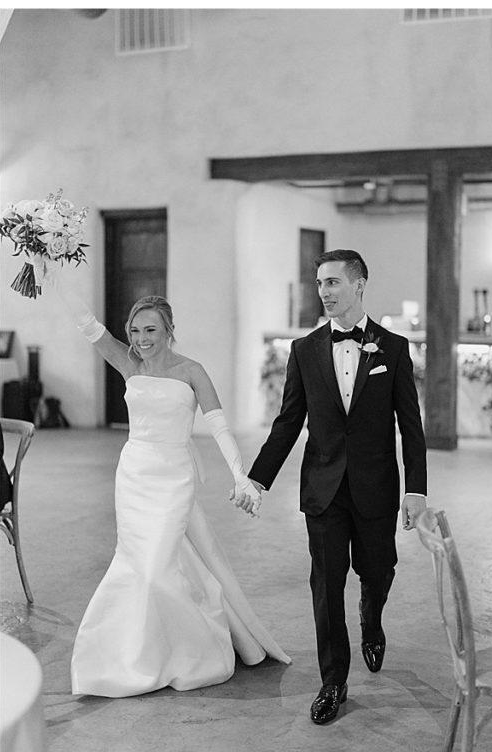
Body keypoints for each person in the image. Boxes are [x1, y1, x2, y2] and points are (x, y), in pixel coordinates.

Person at [36, 262, 291, 698]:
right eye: (135, 331)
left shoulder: (191, 371)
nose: (140, 340)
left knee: (155, 568)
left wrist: (241, 476)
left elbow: (220, 426)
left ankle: (191, 651)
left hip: (174, 478)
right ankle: (127, 654)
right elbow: (87, 325)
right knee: (138, 566)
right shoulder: (127, 362)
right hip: (134, 475)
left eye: (150, 331)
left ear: (169, 330)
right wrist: (52, 275)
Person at [245, 249, 427, 725]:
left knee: (379, 568)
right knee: (326, 586)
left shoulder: (393, 347)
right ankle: (333, 682)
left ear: (359, 284)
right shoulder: (304, 351)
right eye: (320, 283)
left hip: (376, 486)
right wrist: (257, 480)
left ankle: (372, 614)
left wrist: (417, 488)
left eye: (333, 283)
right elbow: (287, 422)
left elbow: (411, 425)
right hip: (323, 488)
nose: (324, 292)